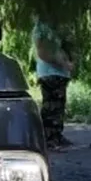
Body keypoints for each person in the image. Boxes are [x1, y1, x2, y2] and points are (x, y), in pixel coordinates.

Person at [31, 16, 74, 149]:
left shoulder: (52, 28)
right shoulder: (41, 28)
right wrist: (63, 63)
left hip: (59, 74)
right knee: (51, 107)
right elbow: (42, 52)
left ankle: (57, 135)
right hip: (50, 73)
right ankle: (49, 139)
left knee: (59, 107)